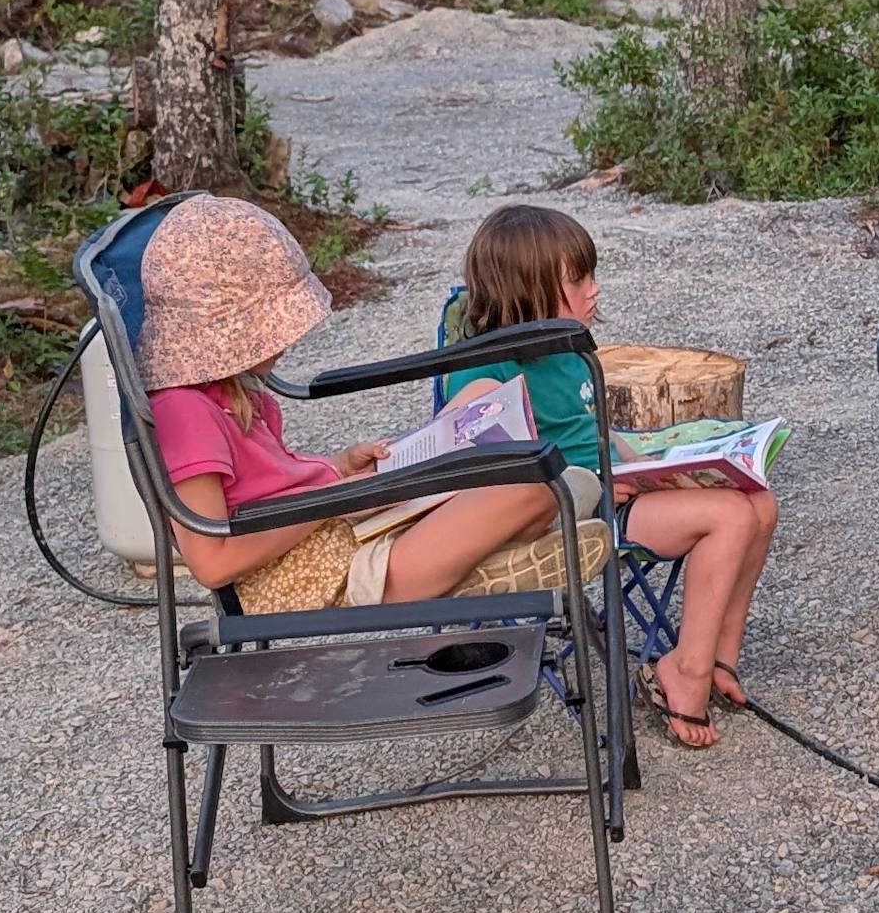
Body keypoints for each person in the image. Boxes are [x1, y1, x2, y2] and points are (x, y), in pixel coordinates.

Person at [138, 194, 584, 620]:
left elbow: (264, 488)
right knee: (533, 484)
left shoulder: (226, 392)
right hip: (337, 575)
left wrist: (337, 468)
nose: (286, 340)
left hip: (344, 535)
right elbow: (212, 561)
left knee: (483, 404)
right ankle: (484, 567)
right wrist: (334, 497)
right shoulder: (185, 412)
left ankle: (487, 554)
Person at [440, 202, 779, 754]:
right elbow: (480, 468)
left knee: (759, 503)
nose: (595, 290)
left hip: (616, 489)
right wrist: (588, 480)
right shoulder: (486, 368)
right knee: (730, 517)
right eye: (579, 279)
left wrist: (666, 466)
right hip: (574, 514)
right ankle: (683, 673)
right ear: (526, 290)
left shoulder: (570, 349)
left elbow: (591, 430)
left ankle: (718, 657)